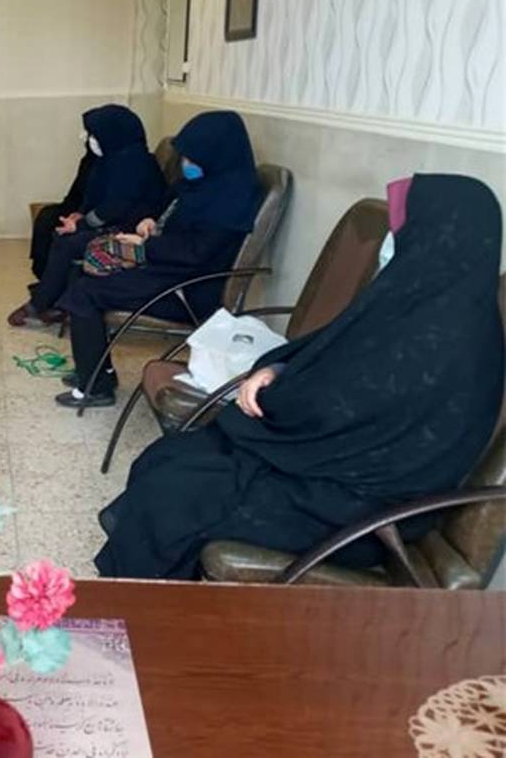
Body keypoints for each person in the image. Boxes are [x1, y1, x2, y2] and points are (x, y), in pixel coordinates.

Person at [94, 174, 504, 579]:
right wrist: (276, 369)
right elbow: (330, 350)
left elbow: (345, 407)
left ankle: (141, 606)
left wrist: (277, 397)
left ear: (434, 236)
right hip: (330, 465)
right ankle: (151, 589)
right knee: (170, 458)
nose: (388, 243)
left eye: (399, 231)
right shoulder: (417, 300)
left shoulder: (449, 340)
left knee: (176, 495)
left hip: (364, 508)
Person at [56, 110, 263, 408]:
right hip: (167, 269)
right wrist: (151, 221)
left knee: (85, 293)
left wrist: (144, 246)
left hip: (189, 289)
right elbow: (167, 203)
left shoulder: (232, 198)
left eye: (193, 157)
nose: (186, 163)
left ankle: (96, 388)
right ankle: (100, 372)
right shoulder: (202, 183)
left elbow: (197, 253)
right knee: (81, 276)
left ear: (216, 155)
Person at [9, 105, 166, 327]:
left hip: (130, 230)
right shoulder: (111, 159)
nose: (90, 139)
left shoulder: (135, 163)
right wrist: (78, 215)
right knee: (60, 234)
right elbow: (92, 195)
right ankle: (55, 299)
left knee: (68, 244)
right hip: (113, 222)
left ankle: (40, 304)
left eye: (94, 134)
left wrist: (82, 225)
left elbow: (116, 207)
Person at [30, 139, 95, 280]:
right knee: (46, 216)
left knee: (63, 236)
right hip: (76, 208)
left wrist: (82, 215)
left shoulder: (116, 163)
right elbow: (75, 193)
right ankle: (42, 273)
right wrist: (72, 211)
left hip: (95, 214)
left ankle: (51, 282)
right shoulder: (89, 160)